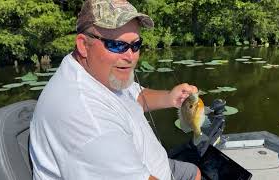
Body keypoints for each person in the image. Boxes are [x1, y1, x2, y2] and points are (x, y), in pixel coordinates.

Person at [29, 0, 201, 179]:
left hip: (154, 165)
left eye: (135, 45)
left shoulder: (98, 73)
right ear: (83, 45)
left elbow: (136, 96)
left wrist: (170, 98)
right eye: (117, 45)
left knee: (194, 172)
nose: (130, 56)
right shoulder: (87, 118)